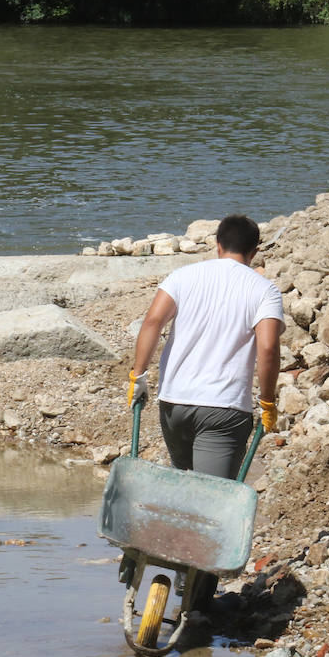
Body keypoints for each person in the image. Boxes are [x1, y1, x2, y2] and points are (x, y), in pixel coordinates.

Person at [126, 214, 284, 612]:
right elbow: (267, 349)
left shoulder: (183, 276)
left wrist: (138, 375)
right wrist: (267, 400)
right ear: (254, 252)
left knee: (187, 492)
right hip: (225, 410)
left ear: (216, 244)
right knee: (210, 509)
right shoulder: (264, 289)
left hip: (174, 404)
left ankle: (179, 578)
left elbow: (152, 321)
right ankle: (194, 612)